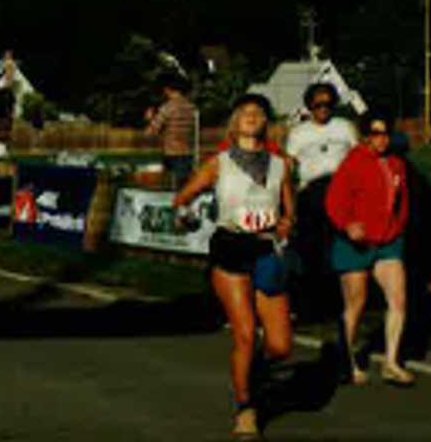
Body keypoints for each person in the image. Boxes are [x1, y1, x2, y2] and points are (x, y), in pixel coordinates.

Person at [173, 93, 295, 438]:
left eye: (259, 112)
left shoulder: (280, 164)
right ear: (235, 121)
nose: (253, 115)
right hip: (230, 248)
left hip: (266, 249)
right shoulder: (219, 162)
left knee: (280, 346)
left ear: (265, 123)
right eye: (246, 111)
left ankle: (252, 376)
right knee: (244, 334)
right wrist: (186, 216)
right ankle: (246, 409)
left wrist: (287, 222)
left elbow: (289, 209)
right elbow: (182, 199)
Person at [327, 110, 413, 387]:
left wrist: (397, 227)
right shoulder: (353, 162)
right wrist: (348, 224)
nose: (382, 139)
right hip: (355, 243)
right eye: (376, 133)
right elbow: (334, 201)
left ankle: (391, 362)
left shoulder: (397, 163)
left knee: (398, 299)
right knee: (356, 303)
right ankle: (347, 361)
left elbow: (402, 202)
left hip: (387, 242)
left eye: (386, 133)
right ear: (365, 136)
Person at [285, 82, 358, 323]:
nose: (323, 108)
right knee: (312, 251)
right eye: (318, 104)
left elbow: (360, 158)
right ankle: (311, 306)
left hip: (342, 191)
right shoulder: (299, 133)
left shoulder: (345, 127)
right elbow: (289, 166)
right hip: (312, 193)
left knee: (341, 250)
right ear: (309, 106)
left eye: (327, 104)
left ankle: (341, 304)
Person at [146, 71, 198, 185]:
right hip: (188, 155)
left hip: (171, 155)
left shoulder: (167, 108)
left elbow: (150, 133)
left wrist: (150, 118)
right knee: (184, 189)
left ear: (167, 89)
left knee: (170, 191)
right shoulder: (192, 108)